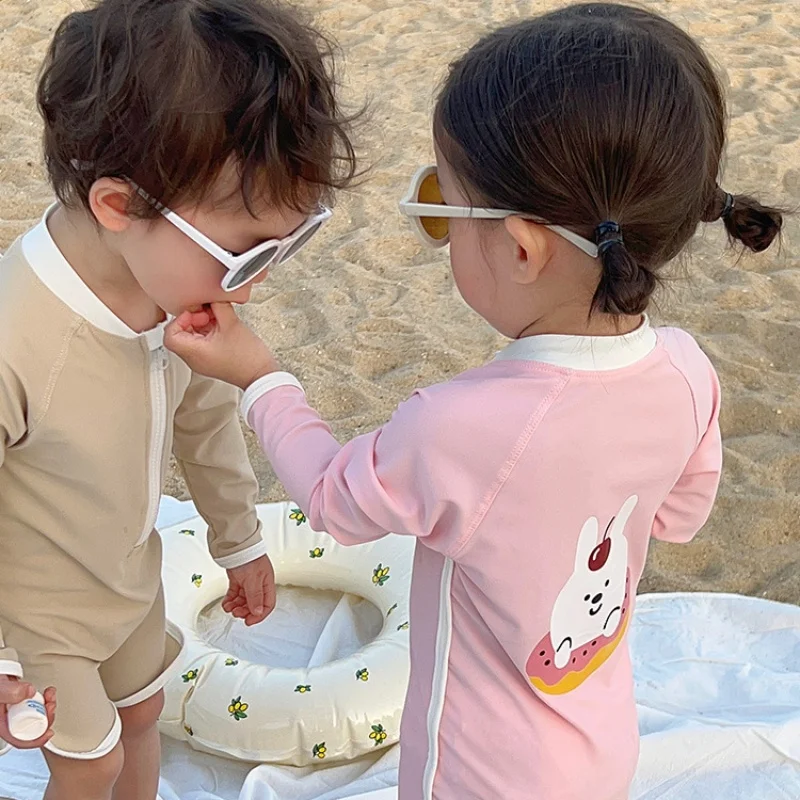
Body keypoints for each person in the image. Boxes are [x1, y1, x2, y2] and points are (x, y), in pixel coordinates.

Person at [163, 3, 783, 799]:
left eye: (439, 208)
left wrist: (259, 377)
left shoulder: (460, 424)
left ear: (521, 248)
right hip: (600, 747)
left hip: (477, 773)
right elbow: (676, 517)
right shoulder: (689, 370)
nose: (438, 227)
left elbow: (330, 499)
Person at [0, 0, 357, 798]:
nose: (258, 284)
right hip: (33, 613)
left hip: (128, 578)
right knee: (87, 762)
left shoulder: (166, 290)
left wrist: (237, 540)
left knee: (142, 710)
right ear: (118, 207)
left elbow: (203, 417)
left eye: (285, 247)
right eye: (240, 258)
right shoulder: (18, 339)